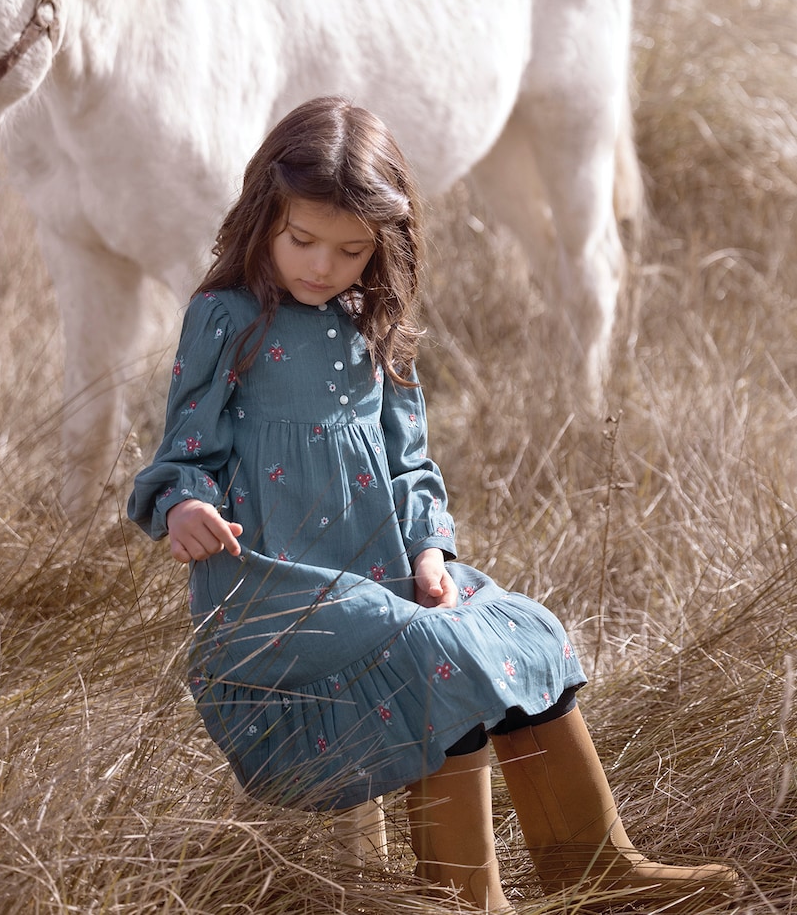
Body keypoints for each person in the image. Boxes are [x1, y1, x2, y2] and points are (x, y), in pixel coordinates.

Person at [128, 97, 737, 912]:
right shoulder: (226, 318)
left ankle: (592, 870)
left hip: (383, 579)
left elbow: (411, 464)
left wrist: (429, 553)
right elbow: (183, 456)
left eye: (350, 251)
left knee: (522, 633)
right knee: (436, 661)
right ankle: (467, 902)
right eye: (300, 239)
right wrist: (183, 510)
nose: (320, 266)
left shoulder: (369, 323)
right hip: (274, 593)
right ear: (260, 216)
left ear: (383, 245)